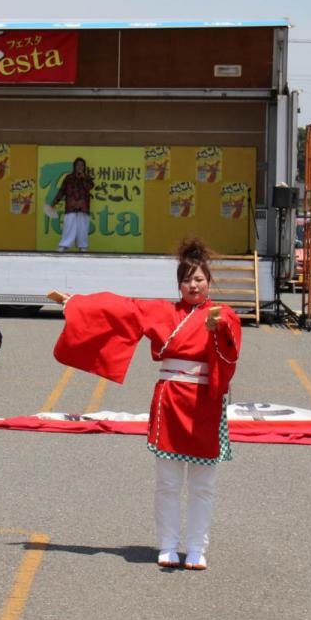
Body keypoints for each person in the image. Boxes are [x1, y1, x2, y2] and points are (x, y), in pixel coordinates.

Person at [52, 238, 241, 570]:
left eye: (199, 279)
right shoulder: (165, 311)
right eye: (187, 280)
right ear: (179, 284)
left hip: (204, 404)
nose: (193, 285)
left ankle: (197, 547)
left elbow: (230, 342)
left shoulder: (222, 313)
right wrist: (79, 304)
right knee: (167, 482)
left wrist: (219, 327)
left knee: (202, 485)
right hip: (170, 401)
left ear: (208, 282)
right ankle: (168, 543)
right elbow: (123, 307)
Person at [53, 157, 94, 252]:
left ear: (84, 167)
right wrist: (55, 201)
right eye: (78, 165)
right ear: (74, 166)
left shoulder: (87, 178)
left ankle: (82, 246)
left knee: (82, 228)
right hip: (71, 206)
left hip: (83, 207)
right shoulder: (68, 178)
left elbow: (89, 187)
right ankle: (64, 246)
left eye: (82, 165)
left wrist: (83, 177)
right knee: (68, 226)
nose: (80, 167)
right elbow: (62, 190)